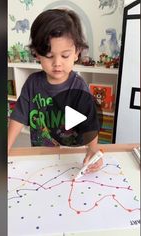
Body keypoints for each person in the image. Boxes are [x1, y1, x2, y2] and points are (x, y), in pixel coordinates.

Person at [8, 9, 103, 172]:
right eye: (50, 56)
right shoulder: (32, 83)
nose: (57, 63)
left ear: (76, 53)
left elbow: (90, 123)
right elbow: (18, 116)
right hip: (40, 156)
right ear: (37, 54)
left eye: (65, 55)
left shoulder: (79, 87)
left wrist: (93, 149)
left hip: (71, 158)